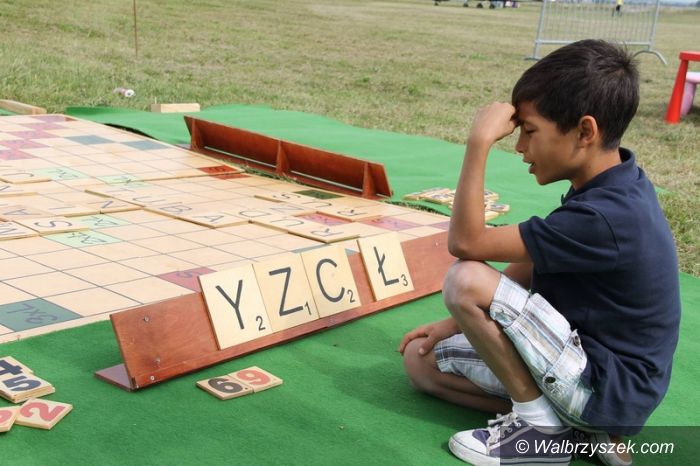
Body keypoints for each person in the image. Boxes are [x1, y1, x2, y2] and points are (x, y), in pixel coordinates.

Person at [399, 39, 681, 466]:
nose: (519, 146)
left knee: (465, 278)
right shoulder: (617, 183)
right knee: (421, 363)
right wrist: (452, 325)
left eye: (529, 131)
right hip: (599, 378)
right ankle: (573, 431)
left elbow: (466, 243)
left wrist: (478, 142)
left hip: (603, 384)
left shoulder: (605, 217)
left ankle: (539, 432)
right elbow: (535, 260)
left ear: (585, 132)